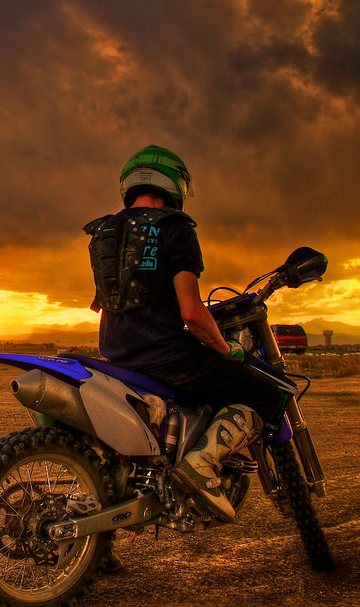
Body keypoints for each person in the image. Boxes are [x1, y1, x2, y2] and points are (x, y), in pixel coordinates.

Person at [84, 145, 288, 522]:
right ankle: (201, 463)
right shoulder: (175, 229)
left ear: (129, 184)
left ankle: (102, 538)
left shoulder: (105, 231)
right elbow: (193, 314)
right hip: (166, 356)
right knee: (266, 394)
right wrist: (226, 348)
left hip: (116, 353)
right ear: (176, 185)